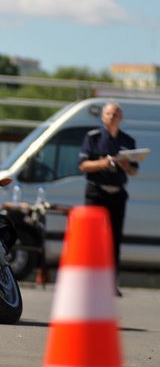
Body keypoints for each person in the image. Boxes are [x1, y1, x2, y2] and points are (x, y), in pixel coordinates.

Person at [78, 102, 138, 296]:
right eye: (109, 114)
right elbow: (83, 165)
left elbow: (134, 170)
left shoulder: (128, 140)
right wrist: (105, 162)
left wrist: (127, 166)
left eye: (116, 114)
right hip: (97, 193)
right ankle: (89, 282)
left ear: (121, 118)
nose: (113, 117)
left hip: (117, 194)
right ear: (103, 117)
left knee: (114, 240)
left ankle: (111, 283)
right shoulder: (93, 138)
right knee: (92, 238)